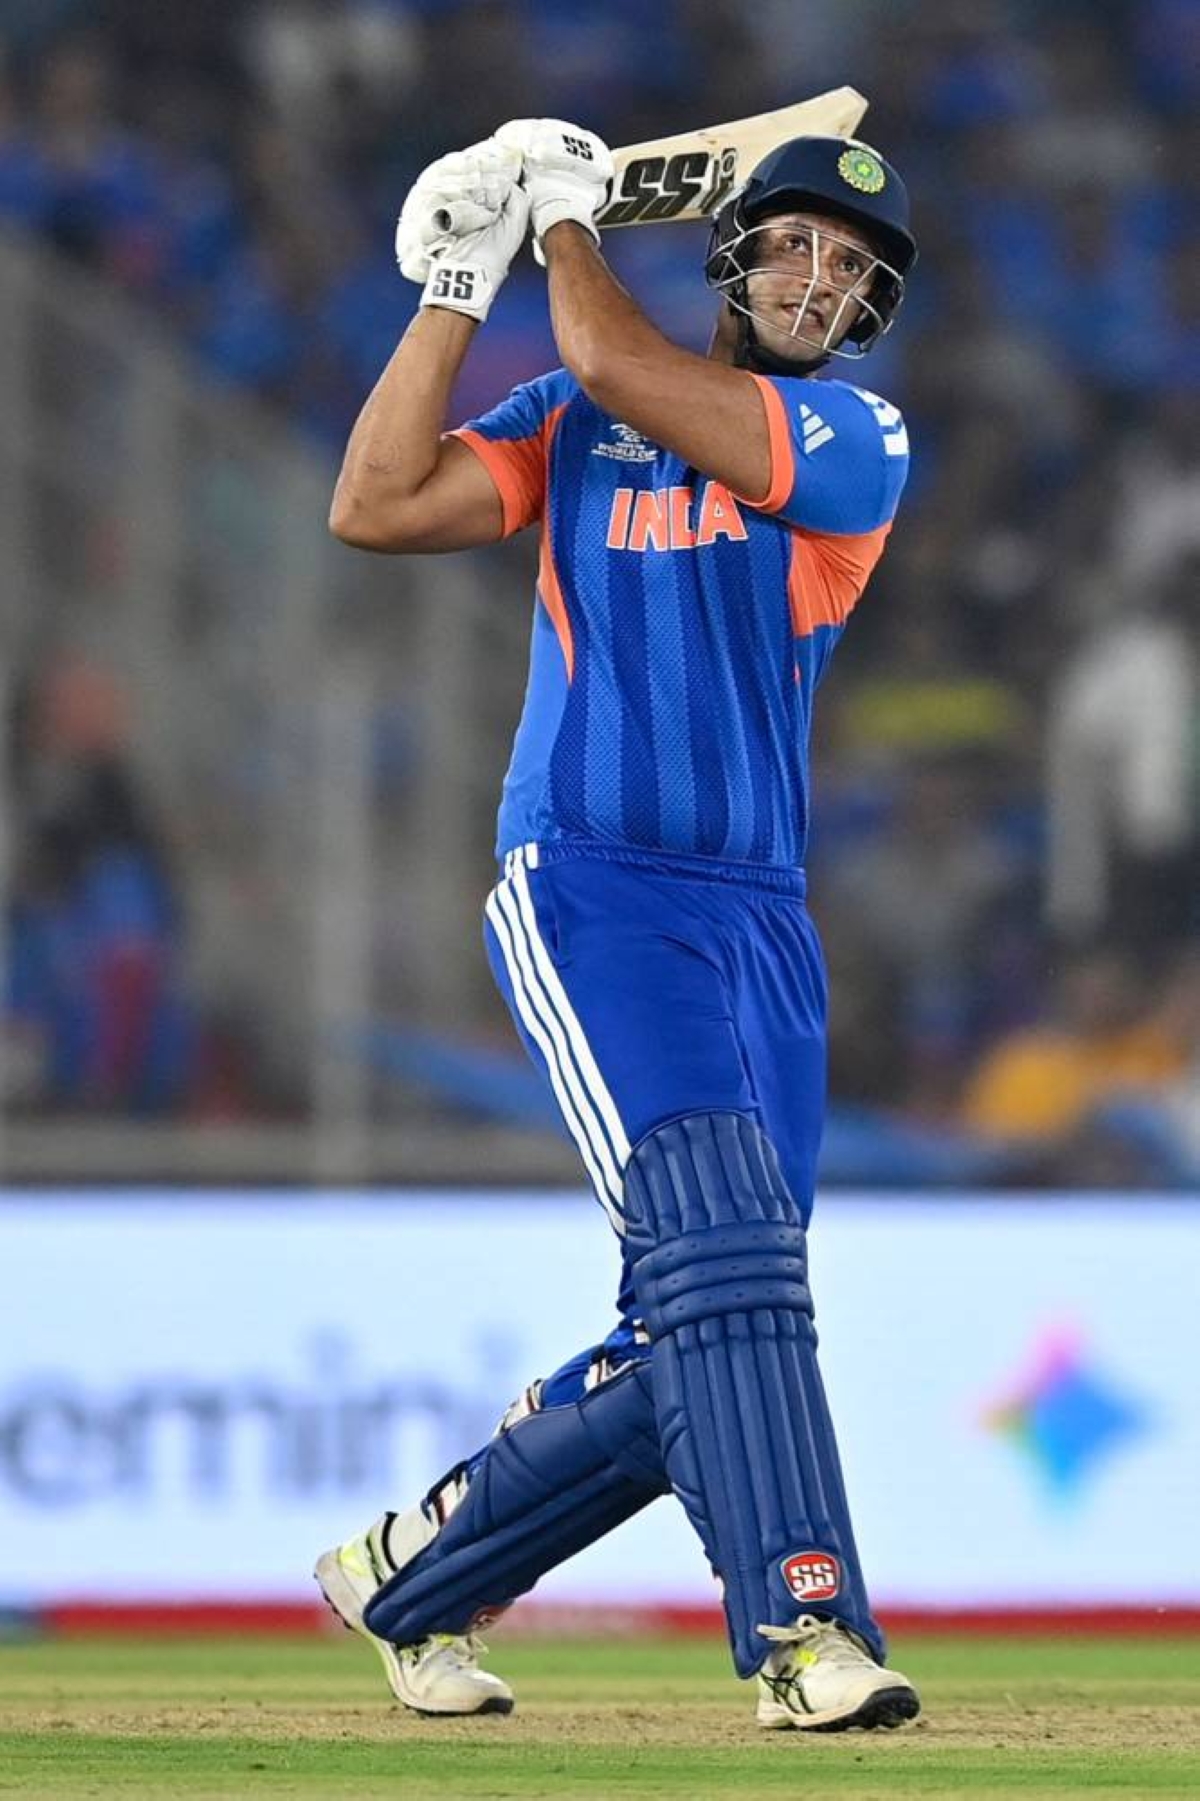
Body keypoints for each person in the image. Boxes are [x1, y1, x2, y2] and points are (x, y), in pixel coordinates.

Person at [315, 118, 921, 1734]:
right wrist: (454, 283)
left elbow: (619, 354)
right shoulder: (571, 411)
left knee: (711, 1318)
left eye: (852, 269)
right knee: (725, 1254)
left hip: (761, 921)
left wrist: (556, 223)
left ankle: (409, 1570)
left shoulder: (856, 436)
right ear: (733, 252)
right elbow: (373, 504)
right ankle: (808, 1633)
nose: (820, 278)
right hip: (590, 882)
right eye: (793, 242)